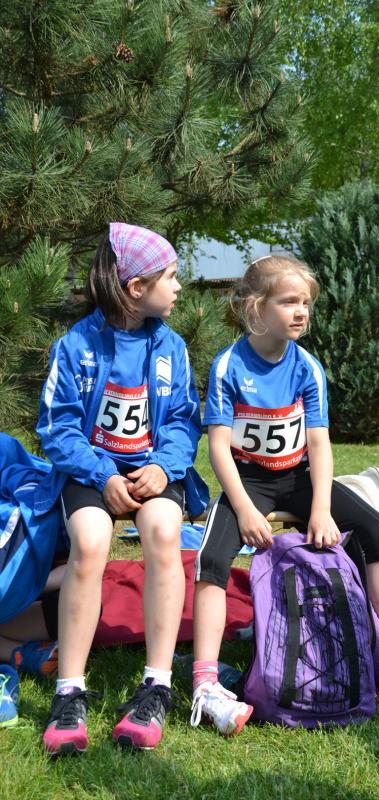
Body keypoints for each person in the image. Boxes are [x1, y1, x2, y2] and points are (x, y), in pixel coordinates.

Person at [190, 254, 379, 736]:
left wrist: (320, 508)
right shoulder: (228, 365)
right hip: (248, 481)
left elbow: (318, 444)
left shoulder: (307, 368)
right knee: (210, 557)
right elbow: (218, 447)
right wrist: (245, 509)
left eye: (306, 303)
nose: (301, 312)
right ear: (256, 306)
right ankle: (205, 684)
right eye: (288, 301)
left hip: (298, 479)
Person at [35, 223, 205, 755]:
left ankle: (157, 684)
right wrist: (102, 475)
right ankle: (70, 690)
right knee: (89, 542)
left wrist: (164, 467)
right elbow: (58, 427)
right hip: (93, 474)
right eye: (171, 277)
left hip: (153, 472)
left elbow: (183, 420)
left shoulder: (172, 347)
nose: (179, 287)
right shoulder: (75, 346)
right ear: (136, 287)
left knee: (164, 533)